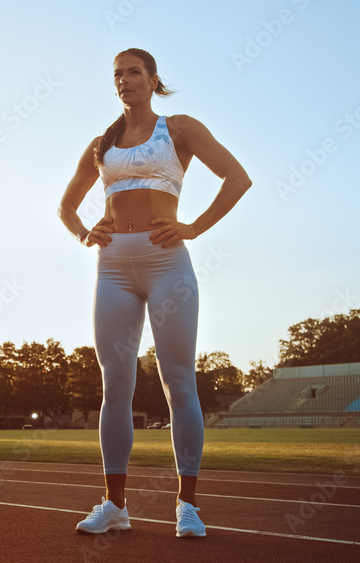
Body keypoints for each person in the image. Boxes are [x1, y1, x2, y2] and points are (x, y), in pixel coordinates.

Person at [57, 48, 252, 538]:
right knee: (115, 386)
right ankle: (115, 506)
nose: (125, 80)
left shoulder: (179, 128)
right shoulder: (102, 144)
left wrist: (193, 227)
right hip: (113, 268)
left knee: (178, 382)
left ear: (152, 79)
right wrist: (85, 233)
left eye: (134, 72)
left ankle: (188, 505)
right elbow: (66, 205)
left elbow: (238, 177)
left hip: (167, 263)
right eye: (117, 74)